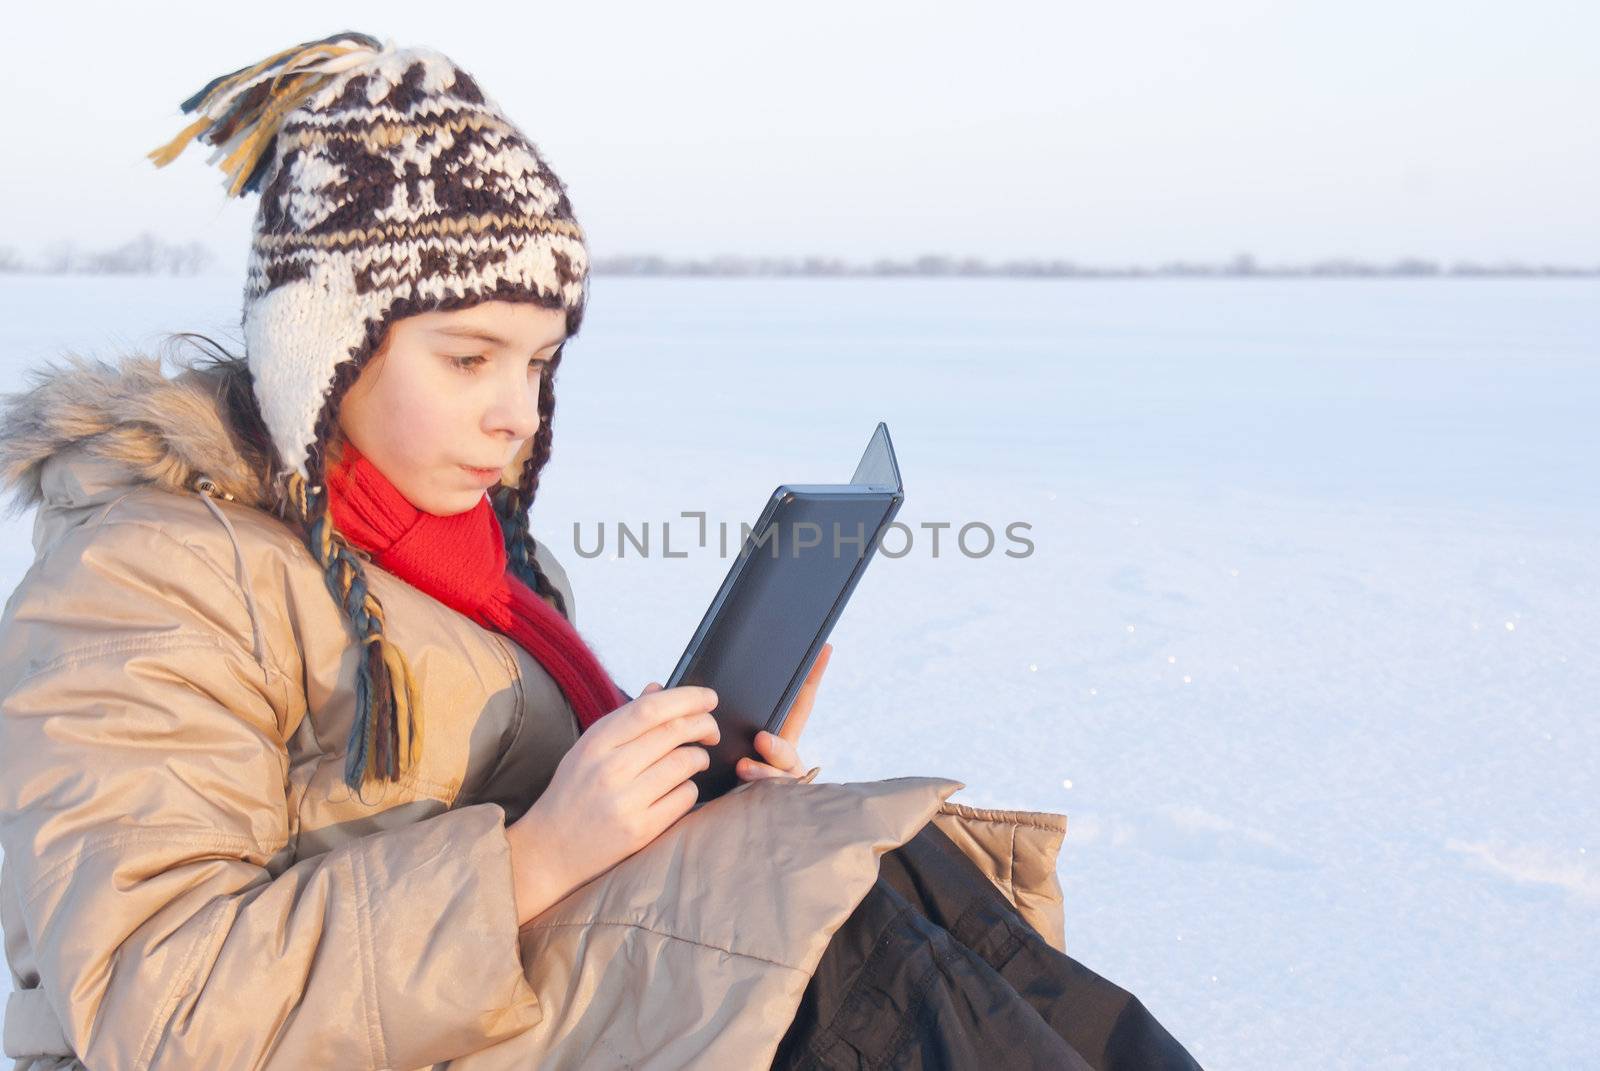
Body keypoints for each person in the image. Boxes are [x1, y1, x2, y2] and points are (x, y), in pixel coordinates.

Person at [0, 32, 1200, 1070]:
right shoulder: (147, 582)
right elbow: (162, 1009)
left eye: (537, 363)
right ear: (322, 358)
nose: (516, 413)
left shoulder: (480, 563)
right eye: (468, 359)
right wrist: (539, 857)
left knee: (854, 873)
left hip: (476, 1011)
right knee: (826, 940)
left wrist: (696, 789)